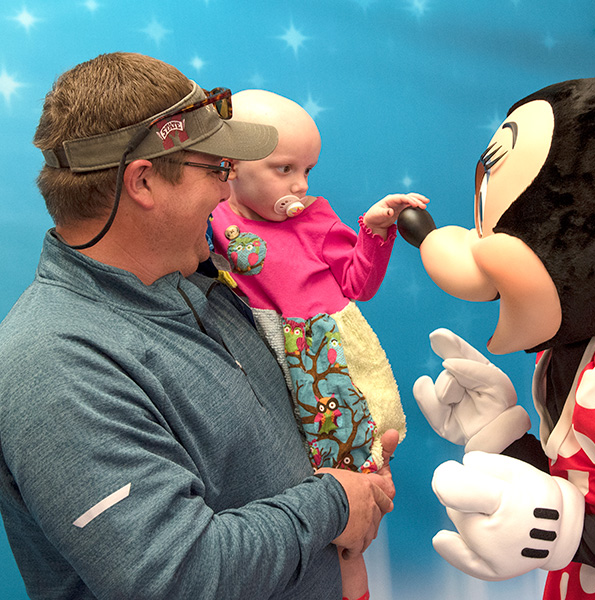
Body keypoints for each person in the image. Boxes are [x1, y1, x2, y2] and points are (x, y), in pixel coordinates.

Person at [0, 52, 397, 600]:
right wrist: (334, 503)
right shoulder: (54, 366)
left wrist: (352, 458)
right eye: (217, 169)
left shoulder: (207, 288)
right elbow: (177, 576)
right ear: (142, 182)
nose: (224, 192)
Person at [208, 89, 428, 600]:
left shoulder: (313, 217)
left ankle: (356, 578)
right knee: (302, 494)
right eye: (284, 168)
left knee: (357, 497)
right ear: (230, 166)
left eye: (308, 169)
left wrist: (374, 233)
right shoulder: (213, 219)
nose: (301, 185)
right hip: (265, 360)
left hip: (327, 353)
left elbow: (357, 284)